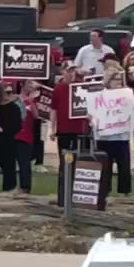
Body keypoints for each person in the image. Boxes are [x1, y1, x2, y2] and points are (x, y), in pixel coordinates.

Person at [50, 61, 91, 206]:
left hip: (80, 130)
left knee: (81, 163)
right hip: (64, 131)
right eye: (68, 71)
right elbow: (53, 109)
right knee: (65, 162)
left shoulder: (81, 87)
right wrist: (52, 129)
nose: (71, 73)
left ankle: (80, 196)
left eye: (73, 71)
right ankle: (63, 195)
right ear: (62, 72)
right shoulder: (58, 88)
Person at [96, 73, 133, 196]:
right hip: (104, 137)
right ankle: (105, 190)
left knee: (124, 164)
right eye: (116, 79)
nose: (118, 82)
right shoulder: (100, 95)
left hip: (121, 136)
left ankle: (125, 191)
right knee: (105, 165)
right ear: (108, 81)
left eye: (120, 80)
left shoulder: (126, 95)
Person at [14, 79, 39, 194]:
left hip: (27, 136)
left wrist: (31, 101)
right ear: (22, 85)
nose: (30, 86)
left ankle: (25, 186)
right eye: (28, 83)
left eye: (31, 84)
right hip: (15, 135)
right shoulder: (15, 99)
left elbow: (36, 115)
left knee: (25, 162)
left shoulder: (31, 101)